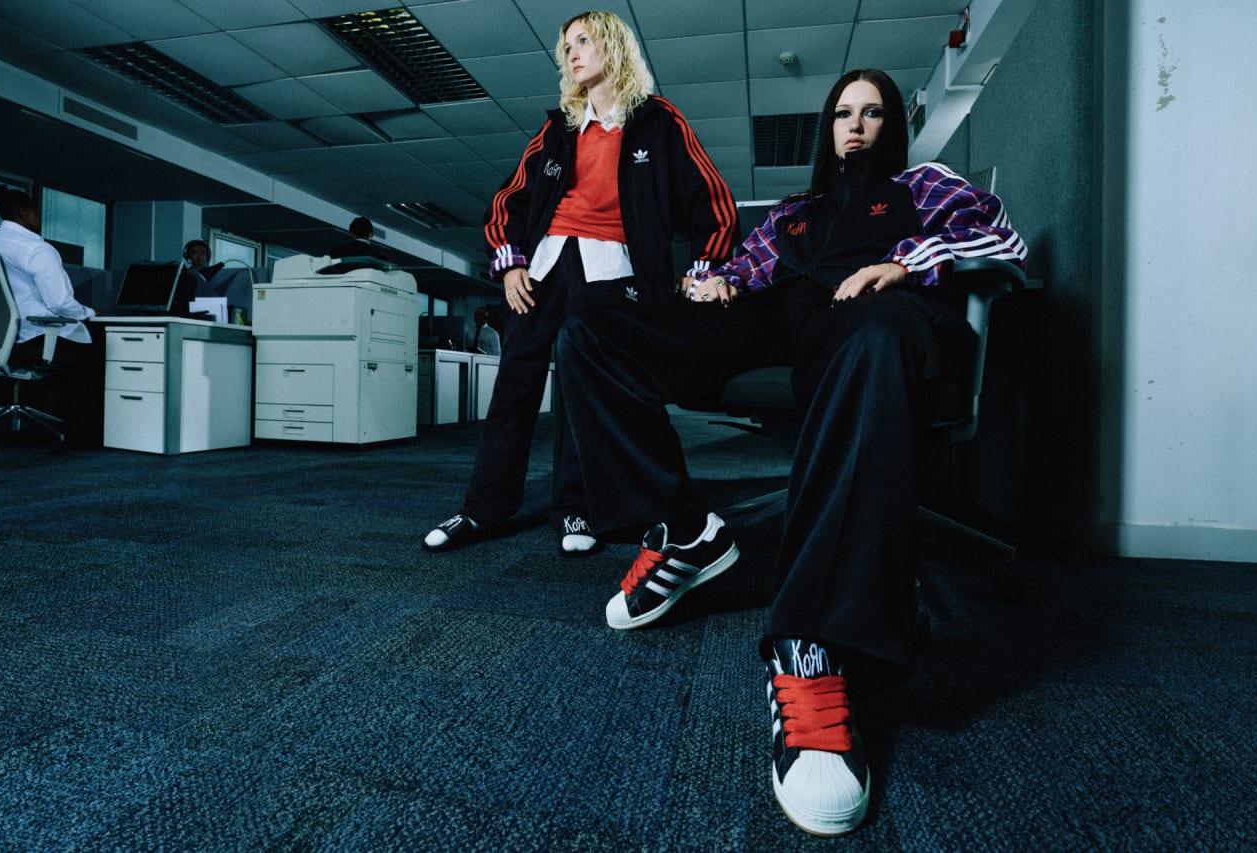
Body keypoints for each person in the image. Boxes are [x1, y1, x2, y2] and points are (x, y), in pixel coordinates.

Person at [555, 69, 1026, 835]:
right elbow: (743, 273)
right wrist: (717, 285)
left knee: (877, 335)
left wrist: (908, 264)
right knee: (590, 323)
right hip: (780, 319)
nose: (857, 125)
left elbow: (1003, 239)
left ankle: (814, 645)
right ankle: (683, 528)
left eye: (873, 113)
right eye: (844, 113)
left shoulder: (925, 185)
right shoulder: (792, 215)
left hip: (874, 308)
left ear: (892, 125)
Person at [421, 10, 737, 557]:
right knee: (514, 387)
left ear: (613, 47)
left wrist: (705, 268)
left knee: (579, 386)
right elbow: (506, 201)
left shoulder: (659, 121)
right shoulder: (558, 126)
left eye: (584, 41)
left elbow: (715, 203)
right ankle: (483, 509)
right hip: (543, 267)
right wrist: (512, 263)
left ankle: (576, 508)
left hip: (611, 273)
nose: (571, 52)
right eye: (566, 45)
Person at [0, 185, 101, 446]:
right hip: (35, 337)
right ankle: (78, 435)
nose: (41, 219)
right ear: (24, 214)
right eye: (37, 213)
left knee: (74, 357)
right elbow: (60, 303)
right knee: (100, 353)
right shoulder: (37, 249)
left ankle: (43, 425)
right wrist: (91, 312)